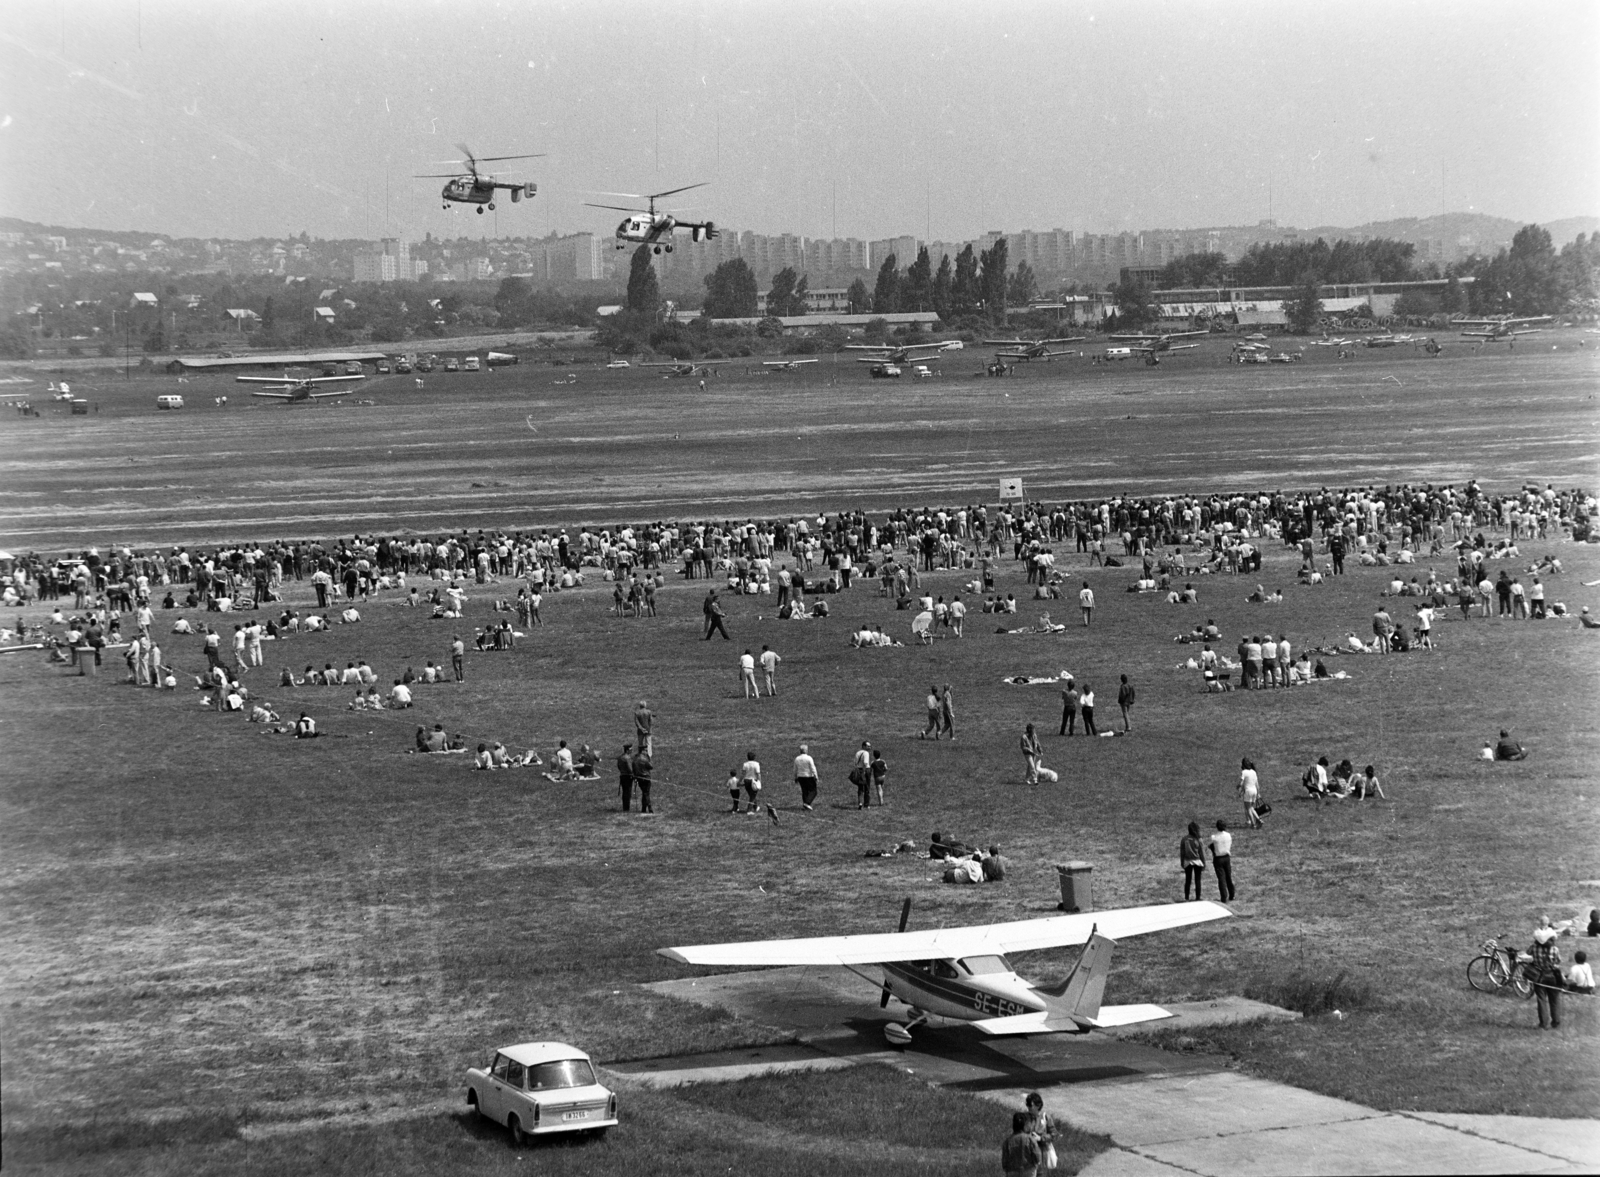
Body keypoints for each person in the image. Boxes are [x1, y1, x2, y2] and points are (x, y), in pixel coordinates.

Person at [1529, 919, 1566, 1029]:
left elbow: (1527, 953)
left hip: (1539, 976)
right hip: (1552, 976)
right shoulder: (1555, 949)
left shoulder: (1534, 947)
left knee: (1541, 999)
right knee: (1554, 1000)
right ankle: (1556, 1022)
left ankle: (1543, 1023)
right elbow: (1558, 961)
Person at [1023, 1092, 1057, 1172]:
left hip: (1042, 1156)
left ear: (1038, 1106)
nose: (1028, 1107)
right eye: (1027, 1104)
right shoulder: (1024, 1117)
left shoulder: (1046, 1117)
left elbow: (1054, 1135)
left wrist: (1041, 1138)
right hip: (1027, 1156)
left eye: (1030, 1105)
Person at [1002, 1110, 1043, 1177]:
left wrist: (1007, 1170)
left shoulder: (1007, 1141)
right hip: (1028, 1171)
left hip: (1012, 1171)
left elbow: (1004, 1161)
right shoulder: (1030, 1139)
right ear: (1024, 1125)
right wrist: (1036, 1164)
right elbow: (1037, 1156)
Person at [1210, 820, 1236, 902]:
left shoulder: (1214, 837)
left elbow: (1212, 845)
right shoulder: (1228, 835)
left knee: (1221, 878)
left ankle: (1224, 897)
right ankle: (1232, 894)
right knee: (1228, 877)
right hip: (1227, 857)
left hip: (1218, 858)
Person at [1181, 822, 1206, 900]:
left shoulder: (1184, 839)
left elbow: (1182, 852)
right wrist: (1204, 863)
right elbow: (1202, 852)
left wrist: (1182, 862)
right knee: (1197, 880)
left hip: (1188, 861)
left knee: (1188, 880)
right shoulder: (1198, 839)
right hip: (1197, 861)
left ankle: (1186, 897)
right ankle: (1198, 897)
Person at [794, 743, 819, 810]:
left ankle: (805, 804)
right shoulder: (809, 758)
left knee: (804, 791)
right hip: (808, 776)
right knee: (813, 791)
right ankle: (807, 803)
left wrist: (795, 777)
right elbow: (813, 767)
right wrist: (816, 776)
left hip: (800, 777)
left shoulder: (797, 759)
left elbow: (795, 769)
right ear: (806, 750)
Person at [1239, 757, 1262, 828]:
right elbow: (1257, 785)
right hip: (1254, 791)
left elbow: (1241, 783)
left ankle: (1253, 824)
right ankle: (1258, 819)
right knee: (1251, 807)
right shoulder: (1253, 772)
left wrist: (1238, 787)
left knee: (1248, 808)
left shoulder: (1244, 772)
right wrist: (1258, 794)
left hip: (1248, 791)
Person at [738, 750, 762, 815]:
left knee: (751, 795)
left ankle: (756, 807)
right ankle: (749, 810)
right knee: (752, 796)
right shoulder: (756, 764)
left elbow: (743, 774)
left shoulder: (745, 764)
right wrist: (759, 782)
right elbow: (758, 774)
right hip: (753, 780)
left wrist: (739, 781)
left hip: (746, 781)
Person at [631, 745, 654, 814]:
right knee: (646, 793)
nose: (646, 751)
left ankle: (644, 808)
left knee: (644, 793)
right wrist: (649, 758)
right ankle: (650, 808)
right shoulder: (644, 759)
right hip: (646, 777)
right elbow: (651, 766)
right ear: (643, 750)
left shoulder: (635, 758)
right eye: (645, 750)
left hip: (639, 778)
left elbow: (633, 768)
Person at [851, 741, 873, 808]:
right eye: (868, 746)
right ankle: (866, 804)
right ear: (863, 746)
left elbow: (855, 762)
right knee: (867, 787)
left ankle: (860, 803)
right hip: (865, 770)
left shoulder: (858, 752)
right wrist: (865, 771)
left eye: (870, 746)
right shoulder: (866, 753)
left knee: (860, 788)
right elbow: (865, 762)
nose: (869, 747)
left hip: (858, 770)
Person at [617, 743, 635, 812]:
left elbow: (618, 766)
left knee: (624, 792)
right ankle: (627, 808)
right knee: (628, 793)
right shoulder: (627, 758)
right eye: (631, 749)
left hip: (622, 776)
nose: (632, 751)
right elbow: (629, 768)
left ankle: (625, 807)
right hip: (627, 777)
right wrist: (633, 774)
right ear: (627, 750)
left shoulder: (620, 757)